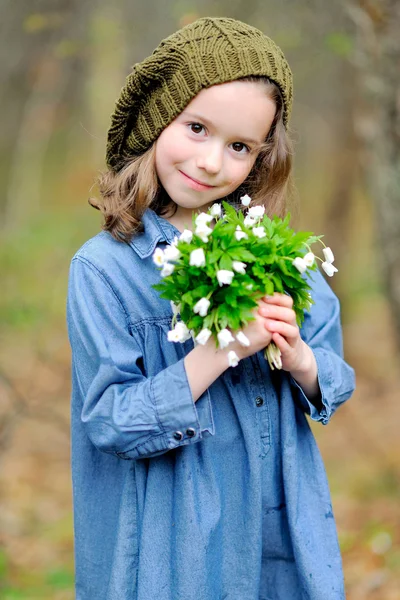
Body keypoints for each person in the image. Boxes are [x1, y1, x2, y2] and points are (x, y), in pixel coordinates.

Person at [66, 16, 355, 600]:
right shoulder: (105, 270)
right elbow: (111, 420)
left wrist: (297, 355)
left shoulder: (278, 255)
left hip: (276, 517)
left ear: (262, 157)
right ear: (156, 123)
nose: (211, 162)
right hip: (172, 537)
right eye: (196, 128)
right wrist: (221, 350)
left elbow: (334, 376)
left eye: (239, 146)